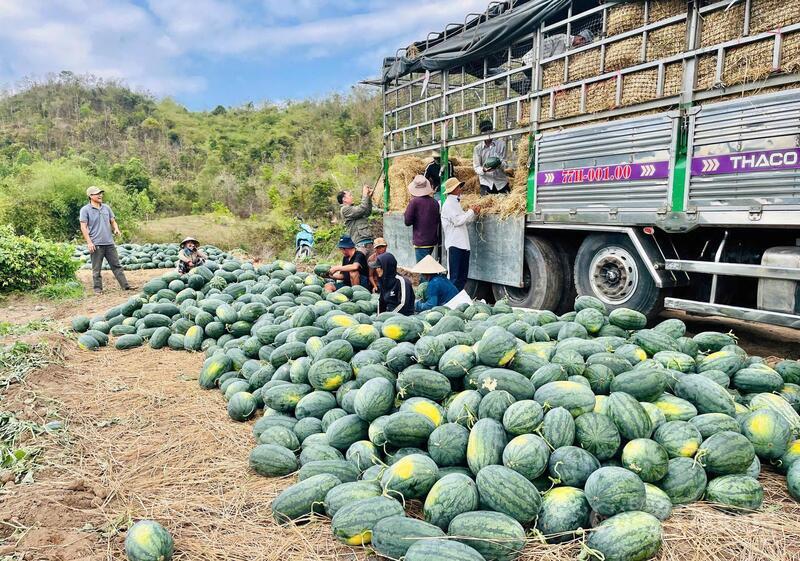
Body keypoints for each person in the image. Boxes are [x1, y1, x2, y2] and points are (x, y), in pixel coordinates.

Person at [79, 186, 133, 294]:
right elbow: (83, 227)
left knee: (116, 265)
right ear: (90, 196)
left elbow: (113, 221)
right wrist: (89, 242)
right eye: (97, 194)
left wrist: (116, 229)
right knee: (96, 268)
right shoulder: (85, 210)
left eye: (101, 193)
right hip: (96, 244)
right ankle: (98, 289)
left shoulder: (106, 208)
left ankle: (125, 286)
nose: (100, 195)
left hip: (109, 243)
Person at [441, 178, 480, 291]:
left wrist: (474, 213)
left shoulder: (456, 203)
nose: (460, 189)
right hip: (455, 244)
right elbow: (458, 221)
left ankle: (456, 300)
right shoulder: (448, 204)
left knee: (462, 277)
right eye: (458, 187)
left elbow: (464, 219)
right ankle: (450, 301)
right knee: (455, 277)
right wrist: (471, 211)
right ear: (453, 189)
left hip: (462, 244)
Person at [403, 175, 441, 262]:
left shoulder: (414, 202)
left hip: (421, 241)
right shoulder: (435, 202)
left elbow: (407, 221)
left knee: (423, 270)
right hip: (432, 240)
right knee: (429, 269)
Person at [473, 120, 509, 195]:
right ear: (481, 133)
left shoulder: (501, 144)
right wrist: (483, 169)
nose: (487, 133)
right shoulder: (478, 148)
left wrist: (499, 163)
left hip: (501, 182)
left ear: (492, 131)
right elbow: (476, 167)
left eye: (489, 130)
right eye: (484, 131)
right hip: (486, 183)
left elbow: (505, 165)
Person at [338, 185, 374, 256]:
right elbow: (362, 208)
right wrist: (364, 195)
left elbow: (367, 212)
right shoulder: (345, 209)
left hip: (366, 240)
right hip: (361, 243)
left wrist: (368, 197)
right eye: (350, 195)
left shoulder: (352, 208)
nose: (352, 197)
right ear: (344, 199)